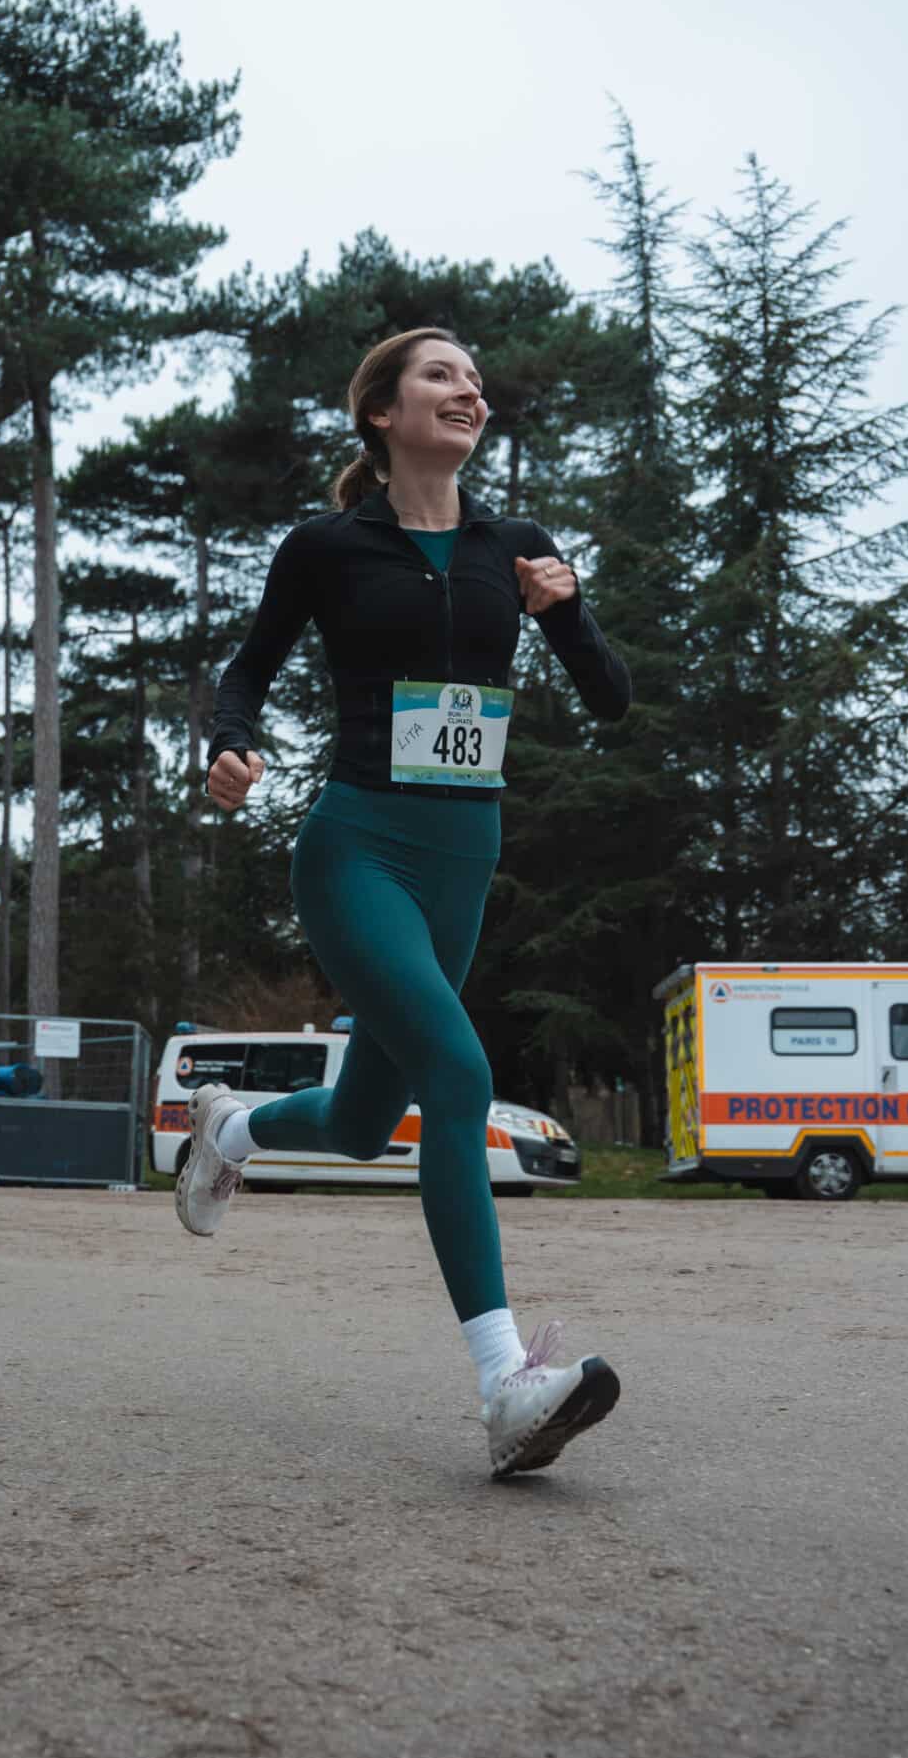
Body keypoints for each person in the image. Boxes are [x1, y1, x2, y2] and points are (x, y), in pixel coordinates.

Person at [182, 329, 633, 1479]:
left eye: (477, 379)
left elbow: (612, 701)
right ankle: (504, 1385)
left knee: (359, 1123)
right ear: (381, 411)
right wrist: (231, 747)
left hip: (461, 857)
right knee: (459, 1073)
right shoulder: (329, 545)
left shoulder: (517, 546)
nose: (469, 389)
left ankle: (227, 1126)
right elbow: (250, 666)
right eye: (442, 374)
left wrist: (565, 611)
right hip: (358, 849)